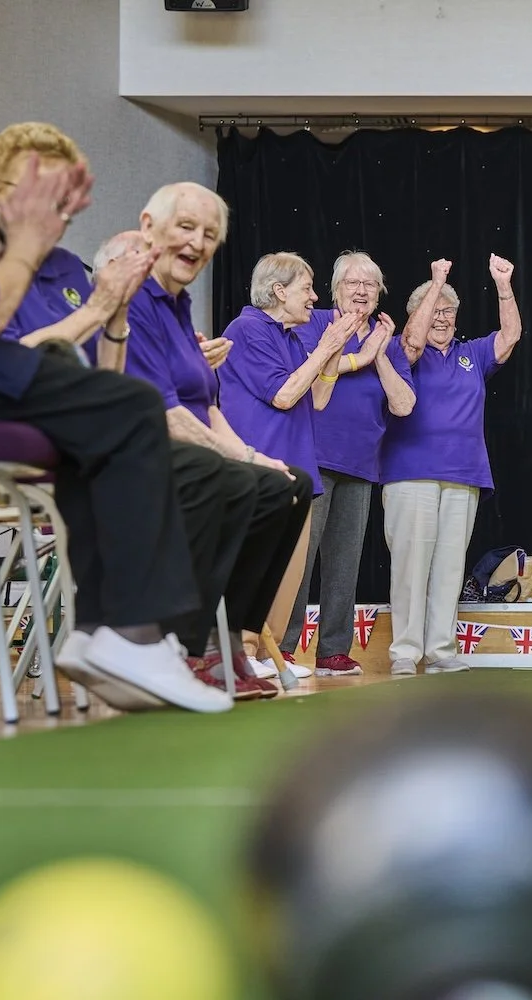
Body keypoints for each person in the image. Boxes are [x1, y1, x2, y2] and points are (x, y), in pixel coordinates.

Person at [0, 148, 230, 714]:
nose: (61, 214)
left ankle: (103, 631)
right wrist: (97, 306)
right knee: (135, 413)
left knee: (130, 415)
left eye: (67, 203)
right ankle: (135, 633)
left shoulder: (67, 266)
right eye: (49, 198)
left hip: (41, 395)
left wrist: (113, 313)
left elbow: (101, 377)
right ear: (0, 194)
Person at [123, 183, 319, 691]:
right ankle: (198, 644)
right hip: (148, 456)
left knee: (287, 483)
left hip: (195, 448)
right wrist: (247, 458)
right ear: (149, 228)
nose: (198, 242)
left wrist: (255, 458)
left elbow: (208, 409)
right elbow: (164, 409)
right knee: (244, 483)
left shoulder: (179, 306)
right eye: (187, 228)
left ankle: (227, 642)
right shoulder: (137, 298)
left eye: (209, 234)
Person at [382, 254, 521, 675]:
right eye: (433, 309)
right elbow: (412, 341)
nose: (441, 317)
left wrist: (502, 285)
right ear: (417, 314)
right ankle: (405, 653)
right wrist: (436, 282)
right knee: (411, 565)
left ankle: (441, 651)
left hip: (464, 476)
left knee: (448, 568)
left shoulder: (472, 354)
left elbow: (511, 334)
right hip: (411, 473)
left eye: (448, 310)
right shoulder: (401, 350)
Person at [280, 252, 414, 676]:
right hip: (310, 458)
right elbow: (309, 369)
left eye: (369, 285)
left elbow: (405, 404)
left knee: (344, 562)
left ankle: (332, 651)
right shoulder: (313, 322)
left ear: (379, 294)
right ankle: (280, 647)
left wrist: (379, 355)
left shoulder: (387, 339)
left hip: (360, 464)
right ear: (335, 290)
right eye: (352, 283)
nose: (360, 291)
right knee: (298, 558)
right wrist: (358, 353)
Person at [219, 252, 365, 496]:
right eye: (307, 288)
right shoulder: (246, 328)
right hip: (259, 474)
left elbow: (318, 399)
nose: (314, 297)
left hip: (297, 471)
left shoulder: (292, 339)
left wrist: (337, 346)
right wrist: (325, 346)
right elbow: (284, 396)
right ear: (280, 291)